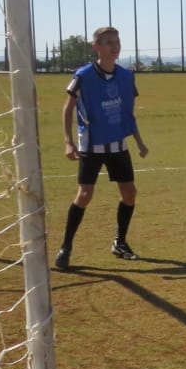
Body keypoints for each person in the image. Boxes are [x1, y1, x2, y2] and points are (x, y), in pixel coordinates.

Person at [54, 26, 148, 271]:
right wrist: (68, 141)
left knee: (130, 194)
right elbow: (67, 108)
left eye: (117, 41)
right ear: (96, 47)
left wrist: (138, 141)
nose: (114, 46)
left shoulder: (127, 76)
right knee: (84, 195)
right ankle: (65, 247)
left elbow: (128, 112)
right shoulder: (83, 76)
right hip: (91, 146)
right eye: (108, 42)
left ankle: (120, 242)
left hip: (118, 145)